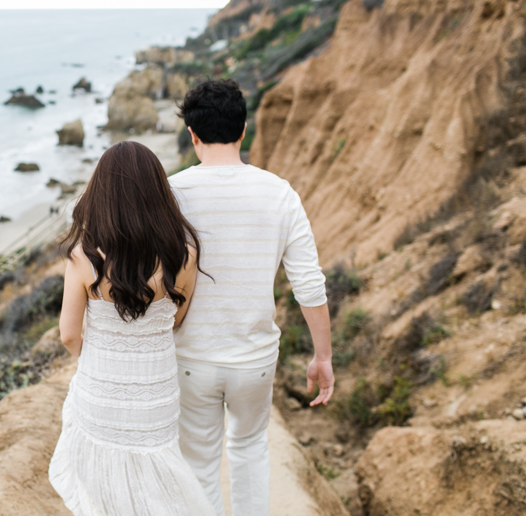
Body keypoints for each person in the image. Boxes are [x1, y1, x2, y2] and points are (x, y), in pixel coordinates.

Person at [169, 79, 334, 516]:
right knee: (249, 450)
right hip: (255, 358)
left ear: (192, 134)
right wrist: (323, 357)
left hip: (190, 358)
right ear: (244, 129)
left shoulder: (171, 194)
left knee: (199, 463)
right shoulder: (280, 193)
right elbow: (309, 284)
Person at [48, 141, 214, 515]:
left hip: (100, 392)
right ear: (158, 191)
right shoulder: (184, 255)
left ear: (101, 194)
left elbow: (69, 334)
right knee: (160, 492)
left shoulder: (83, 255)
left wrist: (98, 356)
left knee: (105, 494)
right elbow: (176, 321)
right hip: (157, 395)